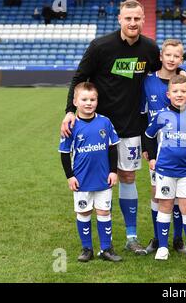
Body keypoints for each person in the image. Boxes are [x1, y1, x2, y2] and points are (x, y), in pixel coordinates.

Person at [60, 0, 184, 256]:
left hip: (130, 128)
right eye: (128, 18)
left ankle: (131, 236)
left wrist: (184, 74)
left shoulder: (149, 49)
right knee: (92, 180)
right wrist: (69, 112)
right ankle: (92, 242)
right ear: (119, 19)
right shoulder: (100, 47)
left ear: (143, 19)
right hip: (98, 127)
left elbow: (167, 69)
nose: (133, 23)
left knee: (128, 177)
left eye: (137, 19)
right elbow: (79, 77)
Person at [140, 39, 186, 255]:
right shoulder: (148, 82)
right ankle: (157, 238)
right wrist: (148, 147)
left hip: (180, 150)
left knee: (179, 195)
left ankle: (178, 239)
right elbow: (143, 115)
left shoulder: (184, 83)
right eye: (169, 55)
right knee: (158, 194)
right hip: (157, 147)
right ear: (161, 57)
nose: (172, 59)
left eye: (176, 56)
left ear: (181, 59)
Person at [58, 82, 122, 262]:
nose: (88, 103)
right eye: (84, 99)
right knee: (84, 212)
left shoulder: (105, 122)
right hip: (81, 179)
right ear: (75, 102)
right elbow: (64, 154)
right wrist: (70, 176)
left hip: (103, 178)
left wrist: (113, 171)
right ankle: (87, 248)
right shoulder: (70, 125)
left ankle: (106, 249)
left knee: (104, 212)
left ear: (97, 101)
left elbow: (112, 149)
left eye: (92, 99)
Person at [145, 75, 186, 261]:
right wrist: (152, 158)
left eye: (183, 91)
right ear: (168, 94)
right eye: (175, 91)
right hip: (165, 169)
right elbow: (148, 136)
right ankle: (163, 247)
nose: (179, 95)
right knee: (166, 206)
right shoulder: (161, 115)